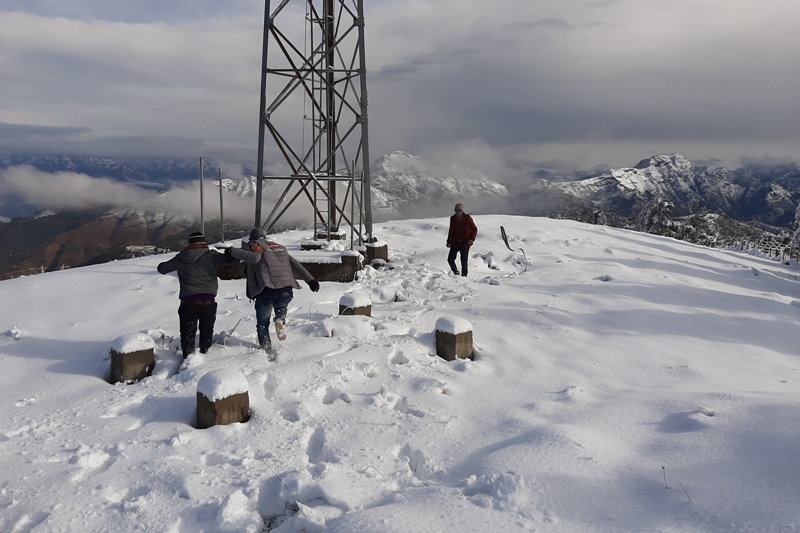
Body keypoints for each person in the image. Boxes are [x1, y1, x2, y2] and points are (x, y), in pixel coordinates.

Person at [225, 228, 320, 357]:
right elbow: (296, 265)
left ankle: (267, 349)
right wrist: (311, 280)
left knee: (263, 322)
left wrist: (231, 251)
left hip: (267, 288)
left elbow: (255, 258)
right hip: (286, 286)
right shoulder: (280, 248)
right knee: (281, 306)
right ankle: (280, 319)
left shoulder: (255, 245)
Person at [157, 231, 234, 358]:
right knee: (207, 330)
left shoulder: (181, 257)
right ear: (204, 243)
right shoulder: (212, 255)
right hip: (208, 301)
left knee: (187, 333)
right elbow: (230, 259)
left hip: (188, 302)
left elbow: (162, 269)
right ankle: (204, 355)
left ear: (190, 243)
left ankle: (188, 358)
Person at [446, 203, 478, 277]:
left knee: (464, 262)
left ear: (462, 211)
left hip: (465, 243)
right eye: (456, 210)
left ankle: (464, 277)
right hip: (455, 242)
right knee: (450, 259)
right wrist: (448, 241)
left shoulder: (467, 218)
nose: (457, 212)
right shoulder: (453, 218)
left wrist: (472, 239)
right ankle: (456, 273)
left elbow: (475, 229)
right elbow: (451, 230)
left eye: (459, 210)